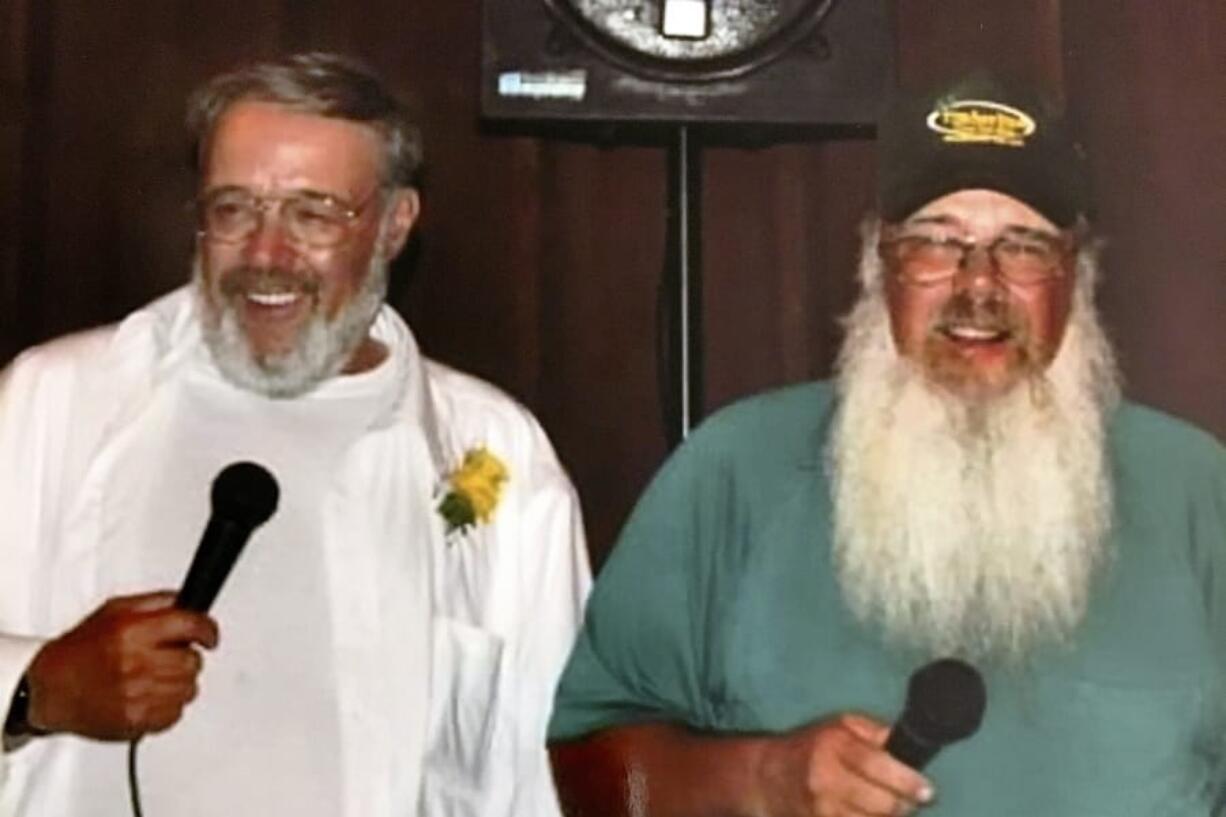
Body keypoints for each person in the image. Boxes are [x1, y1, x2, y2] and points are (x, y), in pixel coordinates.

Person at [547, 70, 1226, 816]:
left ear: (1078, 274)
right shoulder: (736, 471)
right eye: (936, 243)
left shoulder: (1196, 490)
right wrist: (761, 778)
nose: (978, 286)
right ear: (878, 264)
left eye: (1023, 247)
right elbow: (594, 781)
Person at [0, 52, 590, 817]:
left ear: (394, 225)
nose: (265, 255)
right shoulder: (51, 401)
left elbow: (547, 769)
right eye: (233, 208)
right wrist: (35, 687)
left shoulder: (495, 456)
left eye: (312, 214)